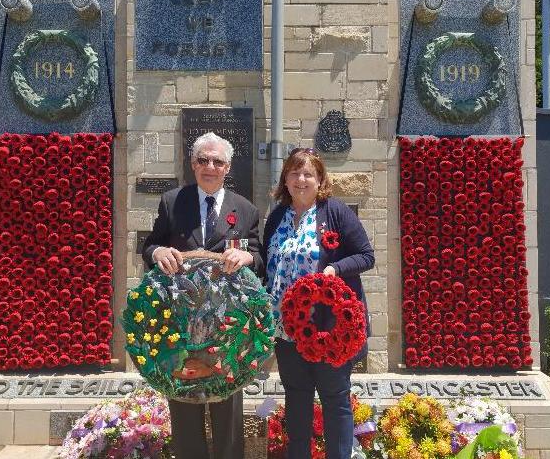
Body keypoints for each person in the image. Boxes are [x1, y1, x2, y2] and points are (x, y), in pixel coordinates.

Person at [141, 131, 262, 459]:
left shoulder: (246, 210)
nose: (210, 166)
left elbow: (259, 255)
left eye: (217, 161)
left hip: (226, 328)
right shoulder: (172, 201)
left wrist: (249, 257)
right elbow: (149, 245)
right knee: (183, 404)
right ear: (193, 165)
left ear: (228, 167)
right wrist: (158, 252)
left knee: (227, 406)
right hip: (181, 325)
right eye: (203, 160)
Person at [262, 148, 375, 459]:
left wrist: (334, 268)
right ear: (285, 178)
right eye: (294, 173)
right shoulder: (276, 218)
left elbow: (366, 255)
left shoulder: (334, 212)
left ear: (320, 179)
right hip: (287, 331)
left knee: (334, 398)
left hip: (329, 330)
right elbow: (267, 267)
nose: (301, 179)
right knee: (296, 399)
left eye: (308, 173)